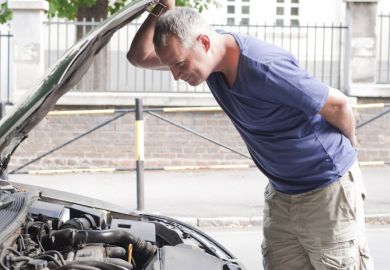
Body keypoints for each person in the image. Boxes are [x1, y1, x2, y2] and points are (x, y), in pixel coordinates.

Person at [127, 1, 374, 269]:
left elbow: (338, 105)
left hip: (327, 193)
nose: (175, 75)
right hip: (282, 194)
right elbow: (138, 56)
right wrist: (162, 7)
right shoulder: (206, 58)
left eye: (179, 64)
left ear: (205, 43)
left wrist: (350, 149)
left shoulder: (264, 67)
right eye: (171, 66)